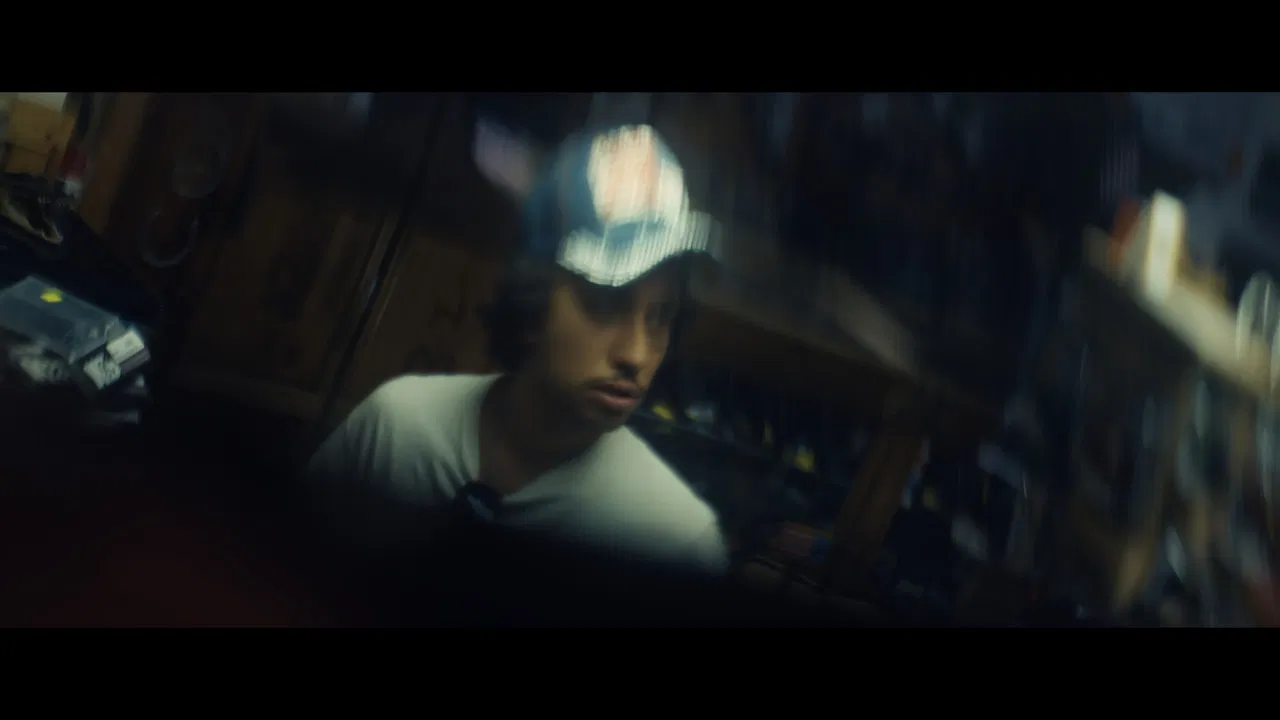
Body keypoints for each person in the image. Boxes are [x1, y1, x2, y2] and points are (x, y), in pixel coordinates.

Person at [307, 121, 729, 578]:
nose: (637, 354)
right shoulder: (395, 429)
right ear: (532, 301)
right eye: (604, 303)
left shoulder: (677, 540)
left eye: (661, 315)